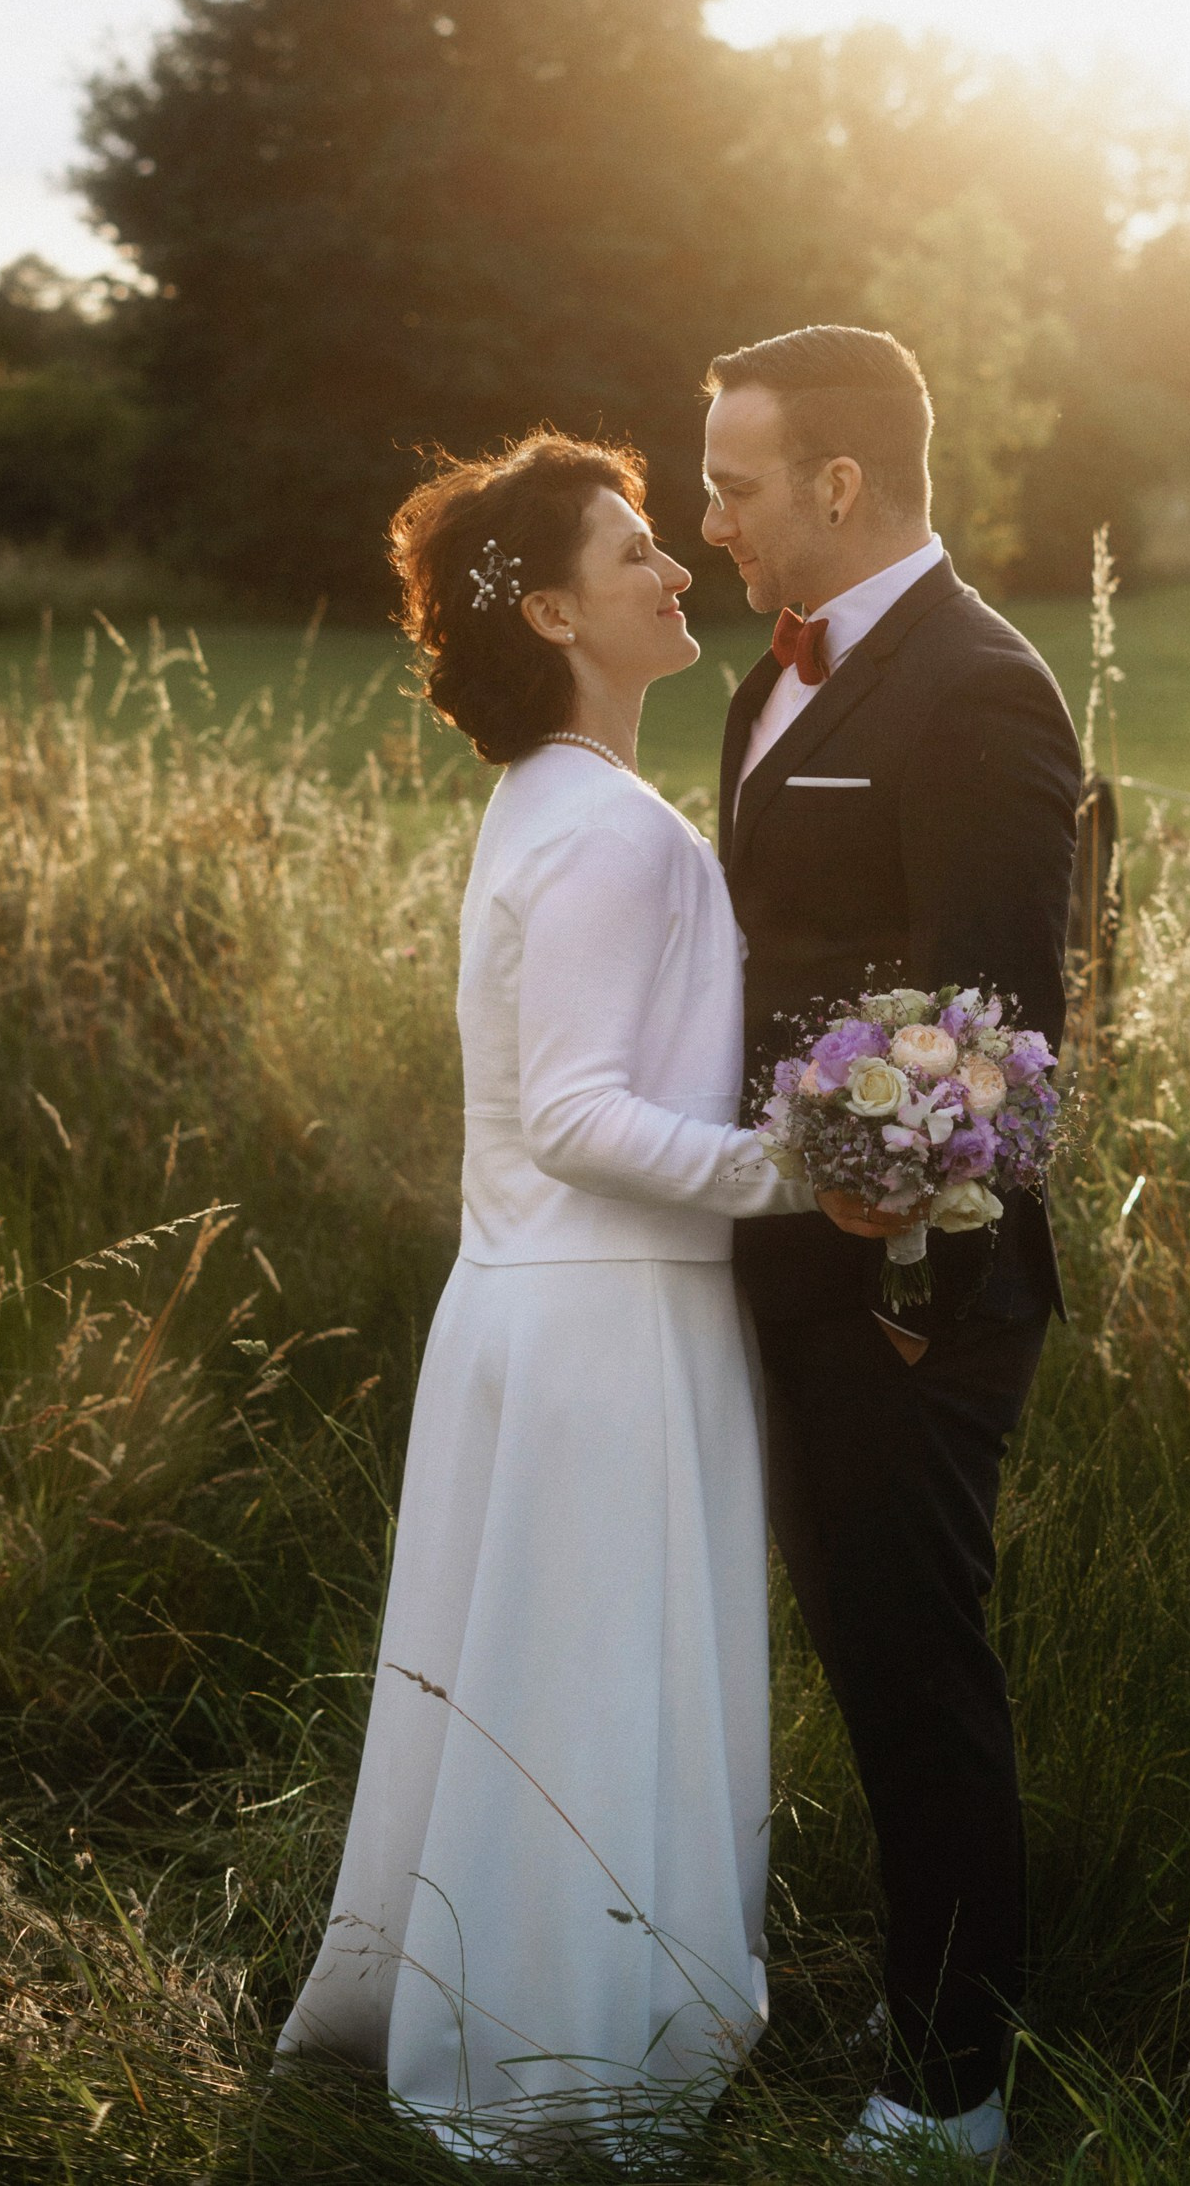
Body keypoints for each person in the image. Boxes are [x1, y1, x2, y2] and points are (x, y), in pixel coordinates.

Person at [277, 429, 813, 2165]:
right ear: (560, 615)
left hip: (538, 1303)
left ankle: (523, 1996)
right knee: (590, 1678)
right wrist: (798, 1171)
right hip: (600, 1316)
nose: (677, 567)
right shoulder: (604, 832)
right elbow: (580, 1116)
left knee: (541, 1675)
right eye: (639, 548)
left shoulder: (551, 806)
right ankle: (559, 2054)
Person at [703, 325, 1082, 2167]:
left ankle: (952, 2089)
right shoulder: (769, 682)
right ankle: (898, 1993)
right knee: (848, 1651)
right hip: (778, 1261)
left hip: (912, 1291)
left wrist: (880, 1231)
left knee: (912, 1665)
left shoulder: (976, 688)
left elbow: (1004, 1031)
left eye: (735, 482)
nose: (710, 521)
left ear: (837, 484)